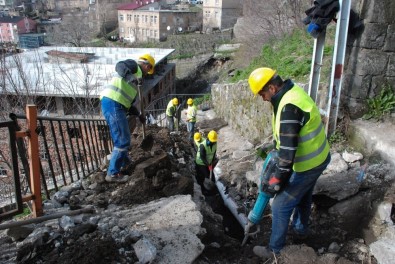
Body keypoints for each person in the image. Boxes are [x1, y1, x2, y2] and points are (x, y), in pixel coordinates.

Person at [246, 67, 331, 259]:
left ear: (272, 88)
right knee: (303, 194)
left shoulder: (288, 107)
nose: (262, 98)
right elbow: (287, 136)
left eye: (262, 93)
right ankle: (301, 232)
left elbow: (286, 158)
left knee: (280, 205)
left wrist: (276, 181)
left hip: (308, 164)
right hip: (319, 157)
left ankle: (275, 252)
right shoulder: (291, 93)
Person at [100, 54, 155, 183]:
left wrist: (139, 115)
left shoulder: (137, 80)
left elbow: (129, 104)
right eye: (149, 69)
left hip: (117, 105)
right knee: (122, 140)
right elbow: (119, 65)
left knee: (123, 138)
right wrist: (131, 77)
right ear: (147, 65)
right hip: (113, 103)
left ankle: (124, 162)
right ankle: (113, 173)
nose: (148, 73)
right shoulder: (133, 66)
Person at [195, 130, 218, 195]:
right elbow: (202, 157)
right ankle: (205, 191)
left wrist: (212, 161)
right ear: (208, 138)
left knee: (212, 177)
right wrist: (208, 164)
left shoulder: (215, 143)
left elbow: (214, 153)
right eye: (212, 141)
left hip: (208, 162)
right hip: (201, 163)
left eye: (214, 141)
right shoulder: (203, 145)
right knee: (205, 176)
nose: (213, 142)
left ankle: (213, 190)